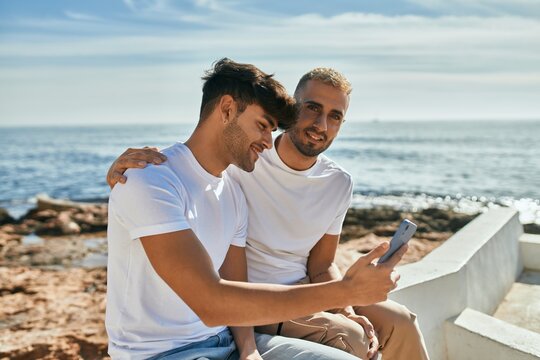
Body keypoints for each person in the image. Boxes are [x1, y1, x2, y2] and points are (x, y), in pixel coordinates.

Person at [105, 58, 406, 360]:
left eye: (272, 129)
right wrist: (347, 291)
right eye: (263, 126)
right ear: (226, 109)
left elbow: (237, 282)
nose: (267, 141)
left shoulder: (232, 191)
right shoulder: (149, 177)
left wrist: (249, 351)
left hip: (227, 341)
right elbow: (211, 303)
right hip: (163, 354)